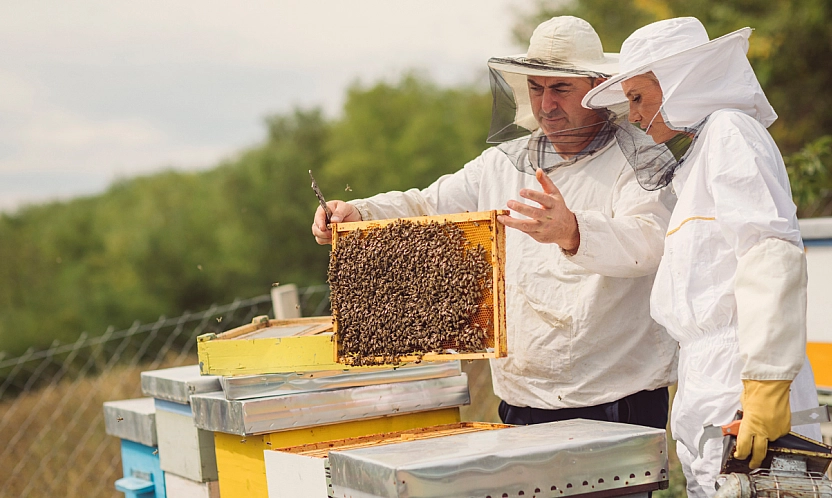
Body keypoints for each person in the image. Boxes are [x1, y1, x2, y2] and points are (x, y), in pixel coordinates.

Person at [313, 16, 678, 429]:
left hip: (615, 398)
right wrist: (359, 212)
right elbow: (427, 204)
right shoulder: (502, 163)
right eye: (536, 88)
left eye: (560, 88)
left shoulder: (641, 160)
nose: (546, 104)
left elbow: (652, 244)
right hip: (520, 398)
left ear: (596, 88)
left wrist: (574, 231)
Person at [582, 17, 822, 497]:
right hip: (706, 375)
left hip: (739, 372)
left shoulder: (733, 133)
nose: (632, 115)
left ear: (681, 85)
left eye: (637, 97)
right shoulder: (700, 155)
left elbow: (768, 251)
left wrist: (766, 382)